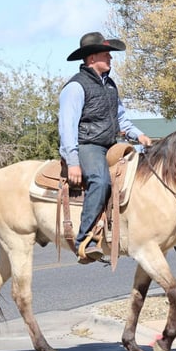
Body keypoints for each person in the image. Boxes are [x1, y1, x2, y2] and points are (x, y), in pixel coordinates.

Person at [59, 31, 152, 263]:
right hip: (88, 145)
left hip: (111, 144)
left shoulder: (110, 85)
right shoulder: (75, 87)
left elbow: (121, 119)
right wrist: (72, 161)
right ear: (91, 59)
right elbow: (67, 126)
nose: (111, 59)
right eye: (106, 55)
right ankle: (85, 241)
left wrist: (139, 135)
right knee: (100, 181)